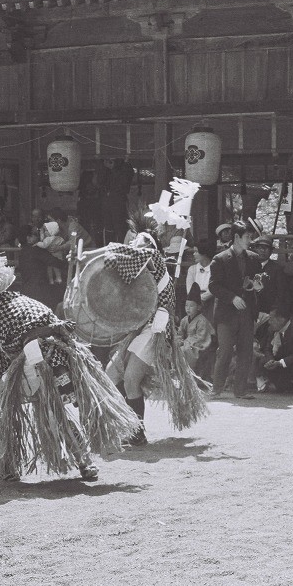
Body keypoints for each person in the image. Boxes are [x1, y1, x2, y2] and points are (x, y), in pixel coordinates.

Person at [0, 214, 134, 482]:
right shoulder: (15, 299)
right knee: (52, 409)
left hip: (38, 358)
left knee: (0, 404)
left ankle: (7, 465)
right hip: (62, 355)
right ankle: (84, 462)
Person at [104, 180, 209, 442]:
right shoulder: (144, 254)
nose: (135, 244)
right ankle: (123, 425)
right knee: (111, 375)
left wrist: (101, 253)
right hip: (141, 325)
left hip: (156, 328)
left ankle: (136, 433)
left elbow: (129, 257)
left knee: (131, 379)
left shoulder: (149, 251)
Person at [208, 219, 259, 399]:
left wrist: (258, 285)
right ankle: (216, 389)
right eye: (247, 237)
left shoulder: (253, 258)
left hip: (247, 311)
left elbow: (259, 277)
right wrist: (232, 298)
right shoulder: (220, 259)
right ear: (237, 237)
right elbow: (213, 286)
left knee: (246, 352)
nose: (250, 241)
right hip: (226, 313)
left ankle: (240, 390)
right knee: (225, 351)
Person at [256, 308, 293, 394]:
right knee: (263, 361)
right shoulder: (271, 330)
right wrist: (271, 360)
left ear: (281, 319)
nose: (269, 322)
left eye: (271, 319)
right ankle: (284, 385)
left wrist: (280, 363)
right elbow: (268, 348)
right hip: (277, 362)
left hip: (290, 363)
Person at [249, 235, 290, 318]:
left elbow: (281, 294)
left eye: (266, 248)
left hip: (267, 313)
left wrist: (274, 311)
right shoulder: (249, 266)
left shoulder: (277, 269)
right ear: (255, 249)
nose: (263, 250)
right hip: (249, 310)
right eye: (260, 247)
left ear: (271, 251)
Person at [177, 286, 214, 371]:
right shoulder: (184, 320)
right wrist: (179, 340)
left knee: (185, 350)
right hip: (188, 343)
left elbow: (201, 337)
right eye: (186, 305)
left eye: (191, 306)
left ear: (198, 307)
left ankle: (189, 373)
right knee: (176, 348)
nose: (188, 308)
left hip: (200, 345)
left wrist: (186, 342)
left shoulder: (202, 320)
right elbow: (180, 333)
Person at [184, 243, 216, 322]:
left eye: (196, 251)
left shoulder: (215, 268)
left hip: (211, 301)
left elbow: (215, 287)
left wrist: (202, 298)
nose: (194, 254)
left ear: (204, 253)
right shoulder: (192, 269)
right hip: (195, 302)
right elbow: (190, 289)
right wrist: (196, 300)